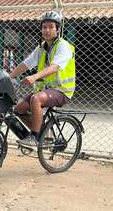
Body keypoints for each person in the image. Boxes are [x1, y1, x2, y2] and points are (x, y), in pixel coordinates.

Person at [9, 11, 75, 148]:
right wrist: (9, 76)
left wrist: (34, 77)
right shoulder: (42, 48)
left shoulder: (63, 46)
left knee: (36, 99)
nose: (47, 30)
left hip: (62, 91)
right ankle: (44, 131)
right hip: (47, 90)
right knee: (18, 110)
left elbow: (54, 68)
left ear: (57, 30)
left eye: (51, 27)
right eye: (44, 27)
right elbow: (25, 64)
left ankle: (35, 137)